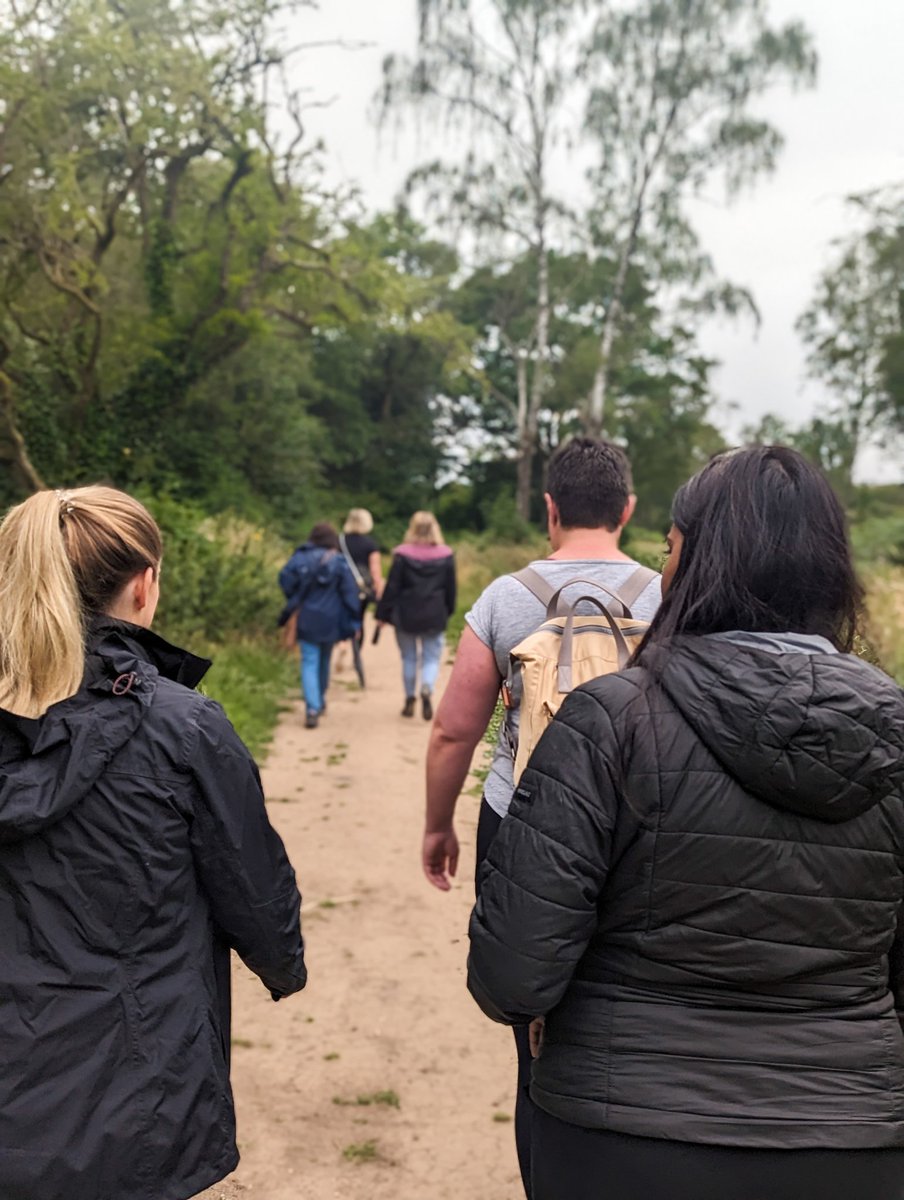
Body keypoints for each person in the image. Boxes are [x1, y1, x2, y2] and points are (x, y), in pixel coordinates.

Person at [468, 445, 904, 1200]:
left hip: (621, 1133)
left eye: (670, 550)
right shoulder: (892, 735)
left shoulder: (609, 721)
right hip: (850, 1138)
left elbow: (511, 975)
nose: (662, 569)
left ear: (698, 566)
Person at [0, 486, 306, 1200]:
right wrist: (282, 964)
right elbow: (255, 891)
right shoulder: (185, 730)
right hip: (138, 1090)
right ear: (144, 585)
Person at [424, 436, 661, 1197]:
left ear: (550, 509)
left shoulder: (505, 598)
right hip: (643, 826)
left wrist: (438, 825)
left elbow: (454, 729)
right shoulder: (668, 596)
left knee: (531, 1015)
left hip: (521, 823)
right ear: (627, 509)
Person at [279, 521, 360, 729]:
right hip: (332, 620)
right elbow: (350, 593)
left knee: (309, 661)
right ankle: (320, 699)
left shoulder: (300, 557)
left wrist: (295, 597)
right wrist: (354, 620)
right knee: (325, 659)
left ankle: (312, 708)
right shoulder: (339, 561)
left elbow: (284, 578)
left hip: (306, 618)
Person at [376, 510, 456, 720]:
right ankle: (427, 687)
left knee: (409, 657)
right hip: (434, 613)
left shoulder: (401, 555)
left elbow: (392, 587)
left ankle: (410, 697)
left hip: (406, 614)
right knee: (431, 658)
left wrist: (382, 613)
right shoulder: (446, 555)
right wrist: (448, 610)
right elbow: (450, 588)